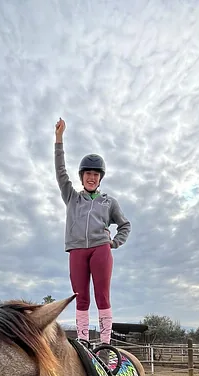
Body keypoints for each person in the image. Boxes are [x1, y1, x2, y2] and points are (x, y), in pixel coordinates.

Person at [54, 117, 131, 350]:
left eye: (96, 174)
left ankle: (106, 343)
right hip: (77, 249)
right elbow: (60, 172)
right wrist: (59, 139)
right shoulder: (72, 197)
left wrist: (114, 243)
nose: (91, 177)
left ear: (100, 178)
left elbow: (125, 225)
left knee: (102, 296)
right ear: (82, 176)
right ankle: (84, 341)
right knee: (81, 297)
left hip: (101, 249)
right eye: (88, 173)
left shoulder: (109, 202)